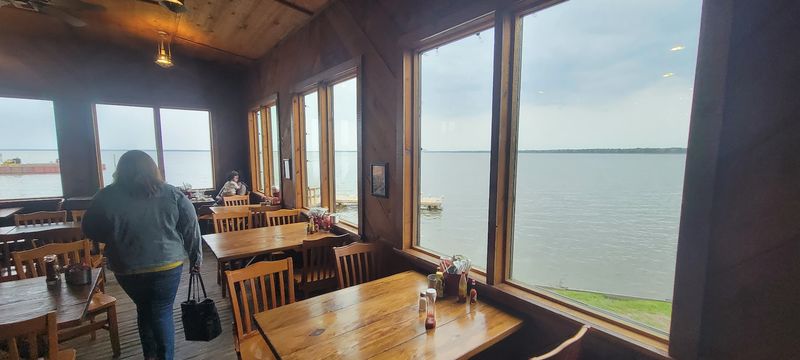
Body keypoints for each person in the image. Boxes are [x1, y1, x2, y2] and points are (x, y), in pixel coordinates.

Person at [82, 150, 201, 360]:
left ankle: (150, 356)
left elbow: (89, 229)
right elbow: (191, 227)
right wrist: (195, 258)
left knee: (145, 309)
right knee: (161, 311)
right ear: (153, 169)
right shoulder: (172, 194)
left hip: (126, 267)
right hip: (167, 264)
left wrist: (115, 236)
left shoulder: (105, 196)